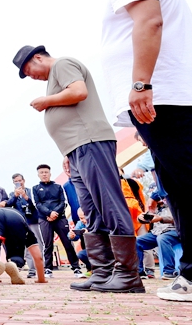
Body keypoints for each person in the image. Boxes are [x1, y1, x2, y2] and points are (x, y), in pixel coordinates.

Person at [73, 0, 192, 302]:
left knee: (188, 184)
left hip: (165, 98)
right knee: (179, 187)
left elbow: (149, 22)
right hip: (163, 100)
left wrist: (141, 83)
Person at [15, 44, 140, 293]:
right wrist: (66, 152)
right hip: (77, 149)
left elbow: (79, 92)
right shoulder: (54, 77)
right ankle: (102, 272)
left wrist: (46, 101)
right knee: (91, 211)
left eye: (29, 71)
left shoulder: (62, 65)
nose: (31, 77)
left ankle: (128, 274)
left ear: (38, 57)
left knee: (109, 204)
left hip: (91, 141)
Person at [31, 164, 84, 278]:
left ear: (50, 173)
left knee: (67, 243)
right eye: (41, 172)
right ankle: (48, 269)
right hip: (44, 219)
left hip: (60, 218)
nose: (44, 174)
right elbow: (37, 204)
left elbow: (63, 202)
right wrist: (49, 213)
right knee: (48, 244)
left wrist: (55, 213)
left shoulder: (58, 187)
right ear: (38, 175)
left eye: (46, 172)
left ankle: (76, 268)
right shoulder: (35, 188)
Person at [0, 207, 46, 285]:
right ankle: (15, 264)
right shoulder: (28, 231)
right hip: (16, 217)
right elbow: (38, 257)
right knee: (16, 251)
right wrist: (41, 279)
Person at [6, 173, 41, 277]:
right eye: (16, 181)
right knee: (25, 247)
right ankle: (31, 270)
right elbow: (9, 205)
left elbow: (34, 205)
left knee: (37, 244)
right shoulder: (12, 194)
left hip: (33, 221)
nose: (18, 183)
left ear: (24, 180)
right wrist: (16, 196)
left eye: (20, 180)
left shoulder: (31, 191)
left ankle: (41, 269)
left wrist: (25, 197)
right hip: (20, 223)